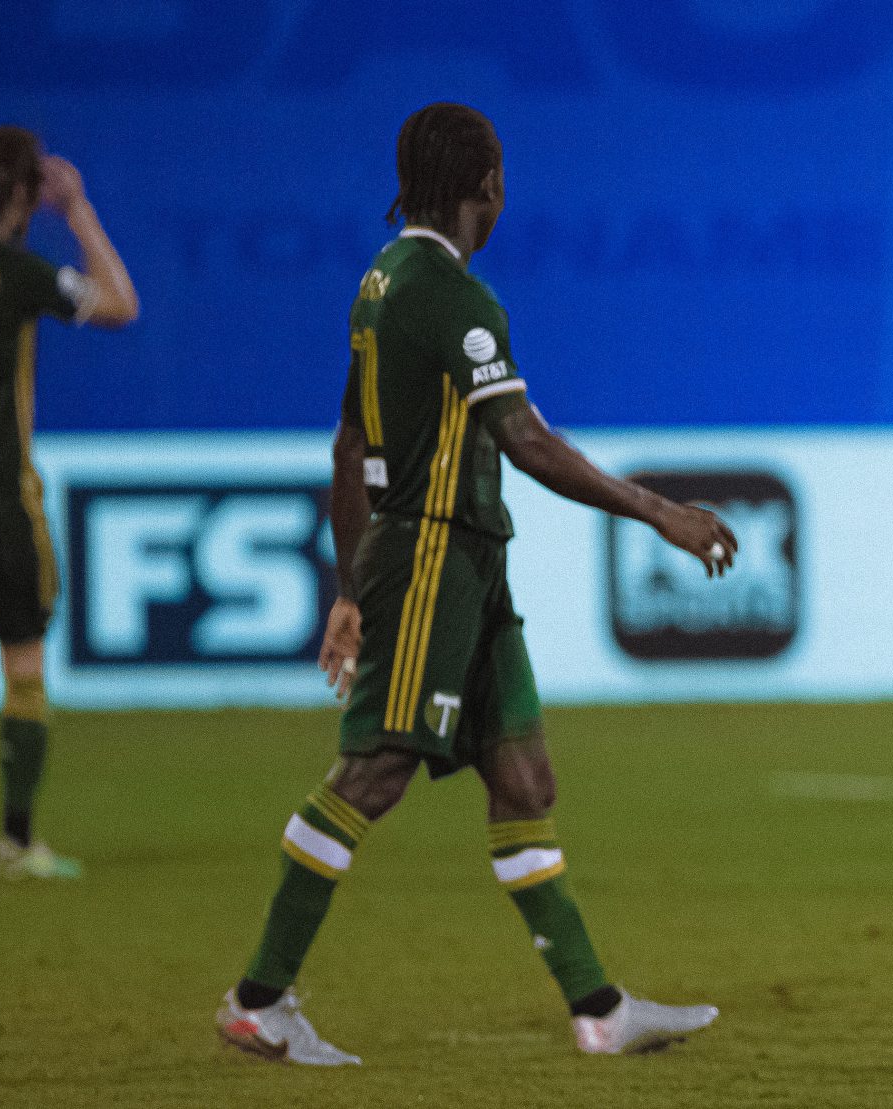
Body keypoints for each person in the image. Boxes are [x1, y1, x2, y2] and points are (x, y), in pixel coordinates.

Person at [215, 103, 739, 1065]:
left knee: (521, 772)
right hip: (430, 560)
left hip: (467, 564)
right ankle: (260, 998)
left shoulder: (381, 285)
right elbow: (527, 441)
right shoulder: (453, 298)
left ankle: (599, 1008)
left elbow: (349, 440)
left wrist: (343, 583)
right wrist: (661, 512)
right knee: (373, 770)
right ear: (487, 186)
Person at [0, 126, 137, 880]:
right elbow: (118, 303)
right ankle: (16, 841)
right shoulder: (20, 273)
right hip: (1, 503)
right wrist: (75, 211)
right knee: (23, 668)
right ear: (22, 196)